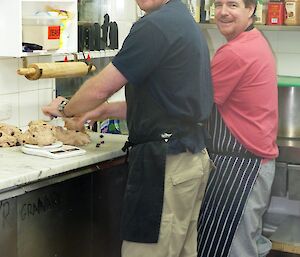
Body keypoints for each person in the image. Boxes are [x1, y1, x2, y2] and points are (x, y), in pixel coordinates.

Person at [43, 0, 214, 256]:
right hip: (187, 159)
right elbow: (167, 103)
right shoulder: (183, 22)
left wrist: (66, 108)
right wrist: (102, 110)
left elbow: (103, 87)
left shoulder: (155, 26)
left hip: (165, 165)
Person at [197, 0, 278, 256]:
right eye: (217, 4)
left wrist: (110, 108)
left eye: (232, 4)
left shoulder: (236, 52)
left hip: (241, 170)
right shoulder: (254, 41)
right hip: (246, 166)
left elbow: (198, 105)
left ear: (251, 9)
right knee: (244, 246)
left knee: (235, 250)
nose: (222, 12)